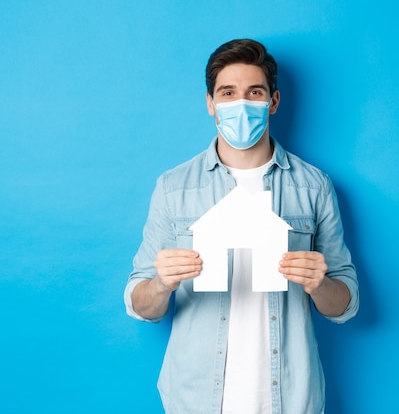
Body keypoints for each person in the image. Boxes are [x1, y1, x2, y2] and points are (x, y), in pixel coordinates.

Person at [124, 38, 359, 414]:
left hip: (290, 400)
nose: (241, 104)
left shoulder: (314, 186)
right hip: (195, 399)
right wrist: (161, 283)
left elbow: (345, 304)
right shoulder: (173, 188)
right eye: (228, 93)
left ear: (273, 101)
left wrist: (320, 284)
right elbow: (140, 304)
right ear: (210, 104)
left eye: (254, 92)